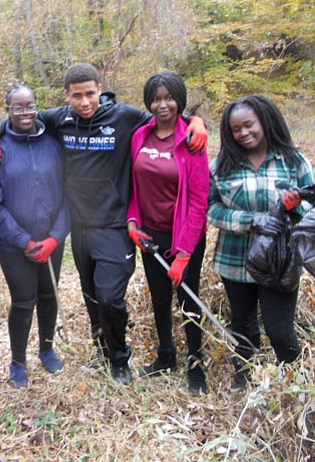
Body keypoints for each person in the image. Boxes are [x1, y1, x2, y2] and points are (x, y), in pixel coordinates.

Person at [0, 64, 208, 385]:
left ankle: (119, 359)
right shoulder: (59, 119)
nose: (85, 101)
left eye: (90, 93)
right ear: (67, 96)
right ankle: (101, 350)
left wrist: (196, 122)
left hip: (115, 226)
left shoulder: (125, 117)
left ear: (100, 88)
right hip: (80, 228)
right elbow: (21, 115)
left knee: (109, 297)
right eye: (77, 96)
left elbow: (166, 118)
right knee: (90, 297)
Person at [208, 94, 314, 389]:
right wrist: (251, 221)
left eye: (249, 125)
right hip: (235, 258)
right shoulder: (221, 166)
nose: (243, 133)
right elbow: (212, 209)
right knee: (242, 326)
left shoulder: (293, 161)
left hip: (279, 261)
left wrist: (295, 207)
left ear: (265, 121)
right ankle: (244, 380)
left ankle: (296, 385)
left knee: (280, 331)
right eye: (235, 129)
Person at [0, 84, 70, 389]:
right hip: (13, 243)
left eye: (29, 105)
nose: (25, 112)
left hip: (51, 239)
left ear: (37, 106)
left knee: (48, 294)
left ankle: (46, 348)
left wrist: (55, 238)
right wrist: (24, 241)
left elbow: (68, 195)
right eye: (17, 107)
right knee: (23, 300)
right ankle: (18, 361)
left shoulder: (54, 143)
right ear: (7, 110)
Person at [126, 71, 209, 393]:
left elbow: (200, 200)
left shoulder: (192, 138)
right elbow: (134, 185)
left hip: (184, 236)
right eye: (156, 99)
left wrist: (184, 254)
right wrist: (133, 223)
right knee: (159, 300)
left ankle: (195, 363)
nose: (163, 105)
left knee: (188, 300)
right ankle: (166, 356)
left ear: (180, 101)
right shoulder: (140, 135)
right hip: (150, 235)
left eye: (169, 98)